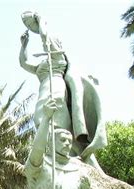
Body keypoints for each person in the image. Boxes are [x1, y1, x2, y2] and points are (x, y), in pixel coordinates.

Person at [19, 11, 107, 170]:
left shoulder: (58, 60)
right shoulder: (42, 65)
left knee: (60, 133)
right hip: (42, 99)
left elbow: (46, 39)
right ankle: (60, 164)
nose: (50, 45)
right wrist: (24, 46)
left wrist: (41, 24)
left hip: (56, 93)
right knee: (43, 129)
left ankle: (91, 170)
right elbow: (24, 63)